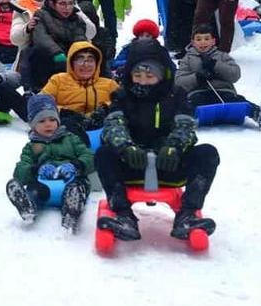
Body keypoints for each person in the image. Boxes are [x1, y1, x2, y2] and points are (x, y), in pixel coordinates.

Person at [94, 39, 220, 242]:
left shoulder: (176, 96)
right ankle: (123, 214)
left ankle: (187, 213)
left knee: (207, 153)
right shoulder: (122, 96)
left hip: (168, 165)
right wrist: (126, 147)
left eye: (149, 76)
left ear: (162, 76)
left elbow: (185, 126)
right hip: (133, 165)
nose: (142, 81)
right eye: (137, 75)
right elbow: (113, 125)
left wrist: (174, 147)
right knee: (103, 153)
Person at [4, 93, 93, 230]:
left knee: (76, 189)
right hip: (44, 185)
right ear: (33, 125)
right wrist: (36, 169)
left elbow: (88, 156)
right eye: (42, 121)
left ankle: (71, 213)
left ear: (58, 121)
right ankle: (28, 206)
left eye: (52, 119)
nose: (48, 124)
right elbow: (21, 170)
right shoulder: (31, 147)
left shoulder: (71, 139)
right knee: (34, 191)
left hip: (70, 180)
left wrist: (76, 165)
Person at [175, 25, 261, 129]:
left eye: (206, 39)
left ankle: (259, 115)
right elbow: (179, 81)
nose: (203, 42)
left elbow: (235, 74)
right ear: (193, 42)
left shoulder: (222, 56)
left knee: (240, 102)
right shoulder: (187, 59)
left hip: (223, 91)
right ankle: (183, 122)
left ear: (213, 41)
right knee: (189, 105)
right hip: (199, 92)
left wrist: (216, 65)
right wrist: (197, 78)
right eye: (199, 39)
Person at [40, 41, 118, 144]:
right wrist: (64, 112)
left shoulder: (109, 84)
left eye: (90, 60)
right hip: (67, 129)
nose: (86, 65)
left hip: (102, 130)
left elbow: (124, 103)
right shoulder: (58, 80)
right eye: (80, 59)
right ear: (71, 63)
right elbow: (40, 103)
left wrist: (106, 108)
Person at [29, 0, 96, 92]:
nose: (67, 8)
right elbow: (41, 38)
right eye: (62, 4)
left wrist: (77, 55)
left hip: (69, 55)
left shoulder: (77, 19)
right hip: (49, 56)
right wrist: (57, 53)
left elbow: (80, 39)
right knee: (37, 52)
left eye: (70, 3)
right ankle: (40, 89)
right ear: (52, 4)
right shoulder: (41, 15)